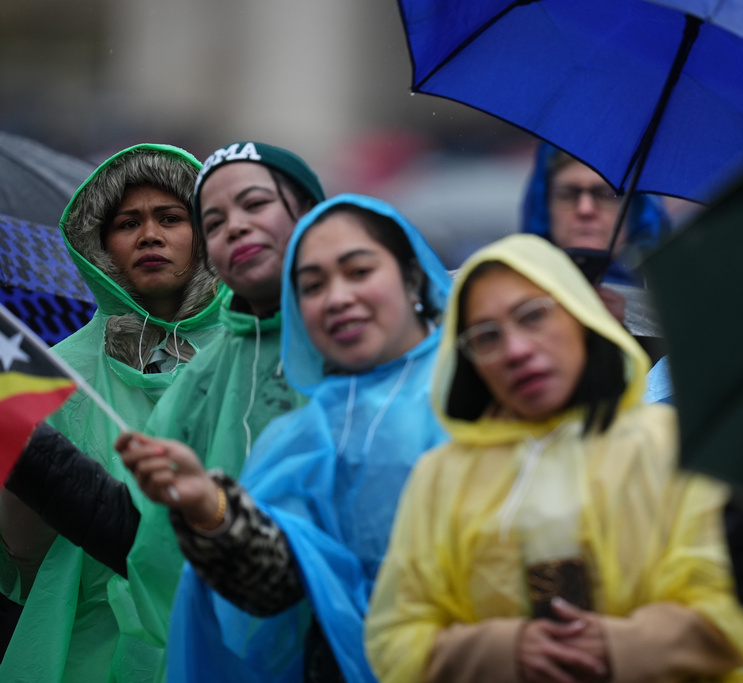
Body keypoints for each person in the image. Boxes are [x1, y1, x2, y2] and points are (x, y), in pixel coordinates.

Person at [365, 233, 743, 683]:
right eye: (486, 337)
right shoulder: (442, 478)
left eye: (534, 316)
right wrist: (505, 651)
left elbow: (740, 600)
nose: (517, 350)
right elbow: (395, 637)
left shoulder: (669, 447)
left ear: (579, 313)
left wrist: (625, 647)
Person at [118, 194, 451, 682]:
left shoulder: (482, 386)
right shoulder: (307, 432)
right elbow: (276, 583)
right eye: (312, 286)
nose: (337, 298)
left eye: (358, 271)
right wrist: (209, 506)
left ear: (412, 276)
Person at [0, 144, 222, 682]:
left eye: (171, 218)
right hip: (89, 652)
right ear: (100, 245)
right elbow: (24, 553)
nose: (150, 235)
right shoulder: (53, 372)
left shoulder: (257, 355)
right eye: (128, 222)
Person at [107, 141, 327, 676]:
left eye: (255, 204)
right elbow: (156, 553)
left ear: (310, 214)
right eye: (215, 219)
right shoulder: (201, 378)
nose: (235, 227)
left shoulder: (357, 338)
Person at [521, 142, 670, 334]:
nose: (585, 209)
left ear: (636, 210)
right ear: (543, 206)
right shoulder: (510, 294)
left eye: (607, 195)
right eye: (567, 194)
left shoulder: (673, 304)